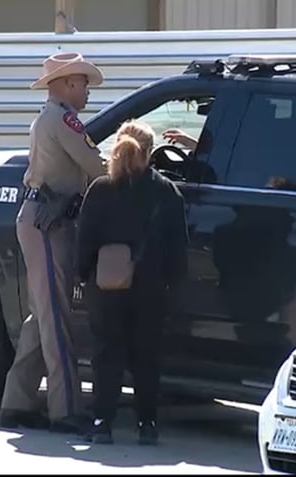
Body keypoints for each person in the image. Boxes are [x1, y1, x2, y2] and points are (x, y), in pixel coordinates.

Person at [0, 52, 107, 434]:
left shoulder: (51, 118)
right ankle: (65, 410)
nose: (88, 91)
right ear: (65, 84)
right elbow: (95, 166)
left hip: (42, 219)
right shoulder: (62, 119)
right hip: (49, 222)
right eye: (83, 83)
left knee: (41, 315)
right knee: (57, 317)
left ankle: (17, 401)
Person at [74, 119, 189, 445]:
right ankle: (147, 424)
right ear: (150, 152)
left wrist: (83, 277)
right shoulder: (167, 193)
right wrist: (174, 286)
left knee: (106, 353)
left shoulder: (100, 189)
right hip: (150, 288)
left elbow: (85, 241)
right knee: (146, 356)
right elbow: (177, 249)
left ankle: (101, 423)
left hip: (106, 288)